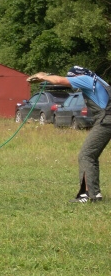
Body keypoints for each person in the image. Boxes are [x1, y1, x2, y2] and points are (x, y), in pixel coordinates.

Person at [28, 66, 111, 203]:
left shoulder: (85, 79)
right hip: (107, 119)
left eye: (72, 78)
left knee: (86, 155)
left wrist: (43, 77)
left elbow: (59, 80)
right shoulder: (97, 80)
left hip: (105, 121)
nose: (72, 82)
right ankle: (94, 194)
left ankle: (87, 195)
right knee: (91, 156)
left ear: (77, 75)